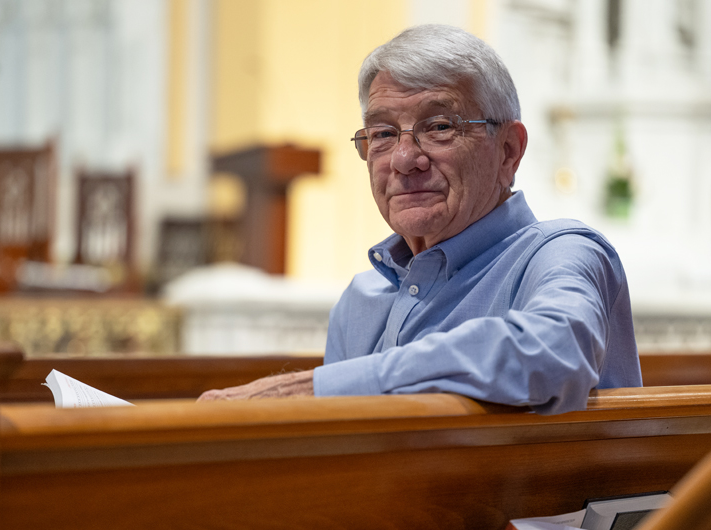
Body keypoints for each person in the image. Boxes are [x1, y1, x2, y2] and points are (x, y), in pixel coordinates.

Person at [198, 24, 642, 414]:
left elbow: (552, 353)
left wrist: (316, 389)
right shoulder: (360, 301)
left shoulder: (562, 253)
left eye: (439, 126)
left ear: (508, 151)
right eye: (383, 134)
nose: (404, 159)